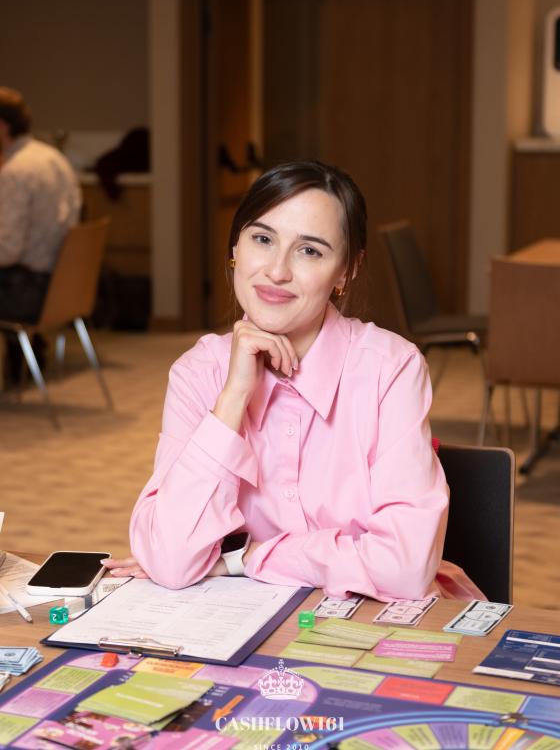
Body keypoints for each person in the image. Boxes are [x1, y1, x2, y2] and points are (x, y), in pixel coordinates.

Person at [105, 161, 483, 601]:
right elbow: (171, 560)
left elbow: (404, 568)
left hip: (383, 621)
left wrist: (245, 558)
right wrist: (233, 398)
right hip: (248, 621)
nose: (277, 271)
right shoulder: (199, 372)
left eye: (310, 251)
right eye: (263, 240)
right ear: (235, 247)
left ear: (346, 271)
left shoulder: (390, 369)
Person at [0, 87, 82, 382]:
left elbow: (7, 251)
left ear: (2, 126)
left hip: (29, 292)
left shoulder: (15, 171)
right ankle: (24, 353)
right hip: (62, 286)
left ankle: (20, 354)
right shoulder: (54, 158)